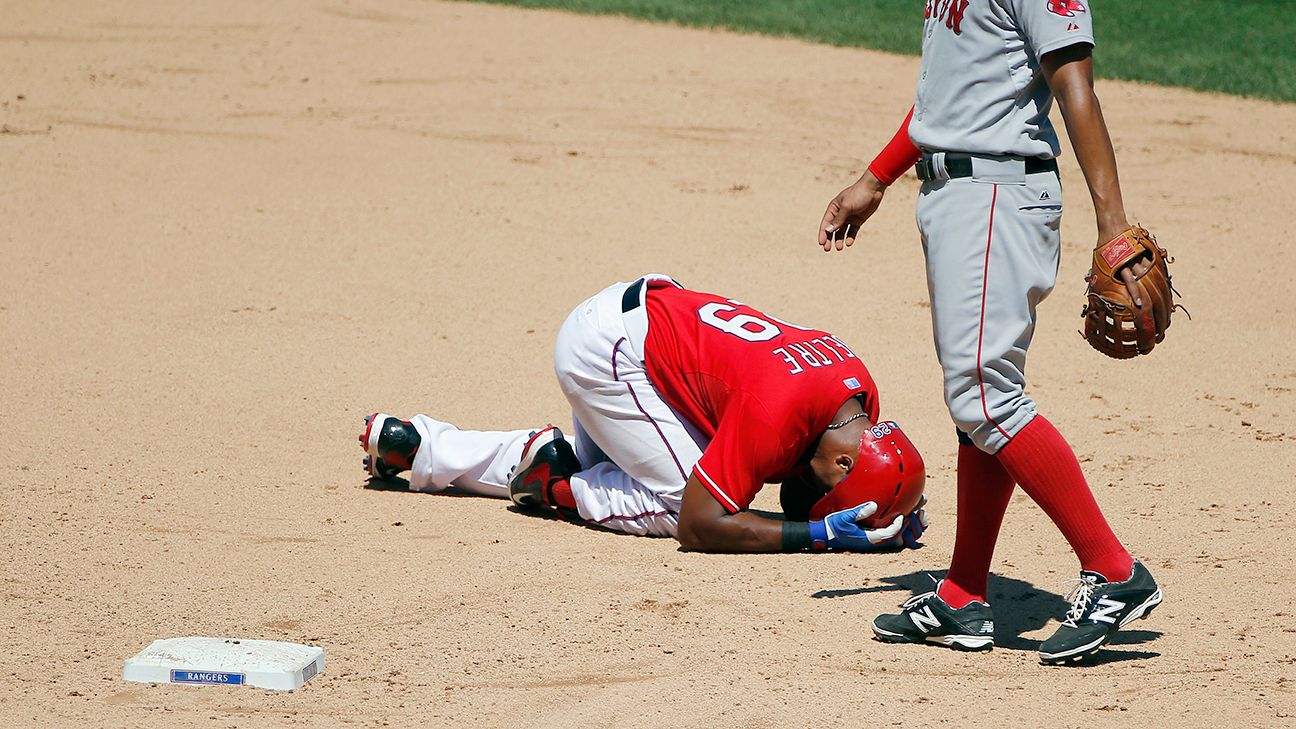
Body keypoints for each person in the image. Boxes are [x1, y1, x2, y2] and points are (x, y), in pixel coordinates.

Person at [816, 1, 1160, 663]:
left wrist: (1113, 222)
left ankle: (1113, 570)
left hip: (996, 195)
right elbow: (948, 94)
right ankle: (964, 593)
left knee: (987, 397)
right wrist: (876, 178)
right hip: (956, 197)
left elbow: (1073, 84)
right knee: (978, 405)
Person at [359, 274, 927, 553]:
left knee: (637, 464)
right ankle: (557, 488)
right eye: (837, 493)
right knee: (682, 496)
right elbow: (701, 527)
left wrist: (894, 510)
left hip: (651, 328)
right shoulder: (776, 414)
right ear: (848, 458)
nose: (817, 494)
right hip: (611, 349)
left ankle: (422, 449)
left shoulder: (857, 396)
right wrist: (816, 533)